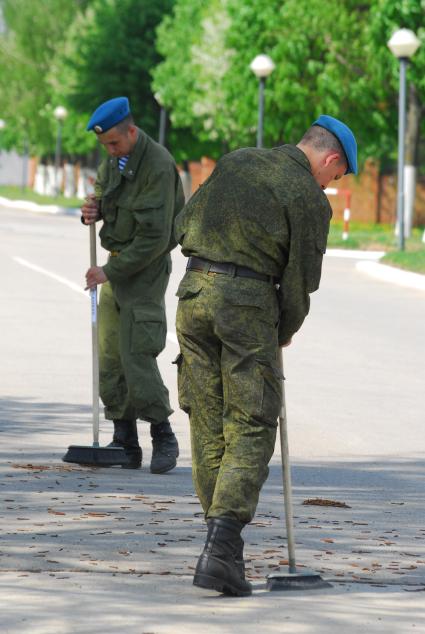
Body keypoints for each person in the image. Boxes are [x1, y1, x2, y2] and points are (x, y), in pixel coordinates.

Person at [174, 114, 357, 595]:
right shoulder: (307, 198)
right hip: (246, 307)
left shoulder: (236, 161)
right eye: (334, 178)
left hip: (192, 297)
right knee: (252, 424)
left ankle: (222, 553)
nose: (330, 185)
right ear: (330, 159)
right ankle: (220, 549)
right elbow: (300, 281)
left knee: (208, 419)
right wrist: (285, 327)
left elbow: (183, 224)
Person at [82, 96, 185, 473]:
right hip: (117, 266)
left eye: (114, 143)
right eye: (104, 145)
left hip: (144, 269)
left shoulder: (157, 165)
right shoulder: (115, 160)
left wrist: (110, 272)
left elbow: (155, 239)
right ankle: (124, 438)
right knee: (109, 354)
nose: (109, 151)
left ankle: (163, 434)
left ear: (132, 130)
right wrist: (92, 211)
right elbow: (106, 201)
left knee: (136, 352)